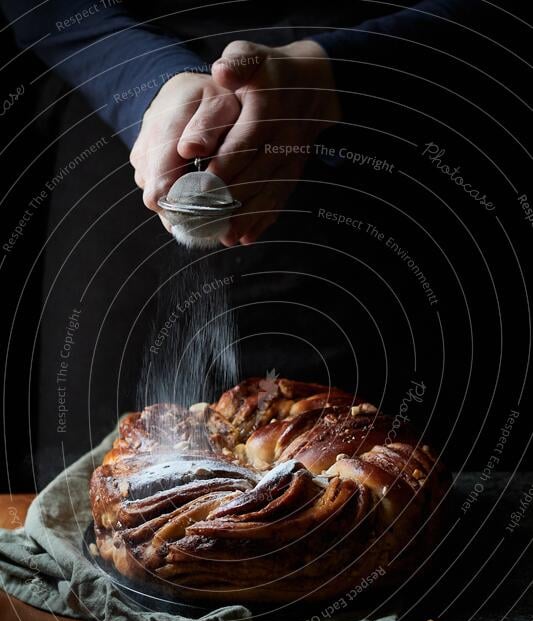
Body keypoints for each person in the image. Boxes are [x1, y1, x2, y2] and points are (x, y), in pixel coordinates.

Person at [0, 1, 529, 484]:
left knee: (418, 525)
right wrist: (144, 83)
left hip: (412, 152)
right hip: (131, 156)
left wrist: (341, 69)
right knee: (110, 515)